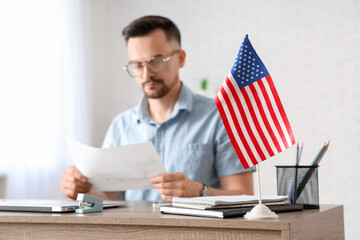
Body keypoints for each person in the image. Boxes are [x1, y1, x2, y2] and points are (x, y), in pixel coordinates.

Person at [61, 15, 254, 202]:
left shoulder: (221, 117)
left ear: (180, 59)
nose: (147, 74)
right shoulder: (121, 126)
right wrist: (79, 190)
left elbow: (245, 195)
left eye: (156, 61)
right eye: (137, 65)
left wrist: (199, 191)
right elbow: (110, 196)